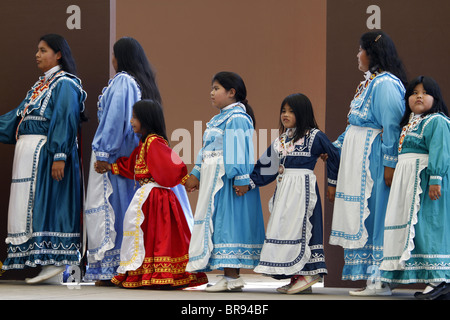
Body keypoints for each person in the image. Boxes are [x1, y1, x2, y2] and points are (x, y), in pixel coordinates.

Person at [84, 37, 194, 285]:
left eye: (114, 54)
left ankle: (116, 269)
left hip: (119, 154)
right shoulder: (141, 83)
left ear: (120, 57)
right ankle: (133, 268)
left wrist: (103, 153)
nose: (111, 60)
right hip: (130, 156)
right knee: (135, 214)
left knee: (122, 211)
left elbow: (114, 120)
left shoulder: (123, 81)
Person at [0, 34, 87, 283]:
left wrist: (59, 155)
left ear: (58, 54)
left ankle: (56, 260)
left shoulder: (65, 84)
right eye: (37, 50)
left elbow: (64, 118)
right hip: (29, 156)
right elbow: (15, 119)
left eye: (43, 50)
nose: (37, 55)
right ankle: (45, 260)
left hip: (47, 155)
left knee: (50, 204)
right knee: (33, 208)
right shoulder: (40, 86)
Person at [328, 31, 408, 296]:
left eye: (360, 49)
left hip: (372, 162)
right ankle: (371, 278)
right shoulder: (369, 83)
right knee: (366, 217)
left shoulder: (385, 83)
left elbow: (391, 126)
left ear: (372, 53)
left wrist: (389, 164)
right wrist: (333, 148)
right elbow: (354, 126)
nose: (357, 55)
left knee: (376, 215)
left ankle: (380, 279)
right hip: (358, 160)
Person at [97, 99, 207, 288]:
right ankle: (148, 273)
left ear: (146, 119)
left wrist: (184, 179)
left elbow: (170, 164)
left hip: (156, 198)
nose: (131, 121)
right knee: (146, 236)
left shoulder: (154, 142)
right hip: (147, 197)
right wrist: (110, 167)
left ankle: (158, 273)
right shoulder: (144, 144)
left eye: (134, 117)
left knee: (157, 236)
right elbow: (131, 165)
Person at [247, 93, 340, 294]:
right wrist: (249, 183)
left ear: (302, 113)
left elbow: (334, 156)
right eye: (283, 111)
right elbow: (267, 166)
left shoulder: (314, 136)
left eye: (291, 111)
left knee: (303, 227)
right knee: (285, 227)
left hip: (302, 188)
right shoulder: (282, 139)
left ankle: (308, 273)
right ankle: (296, 274)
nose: (285, 115)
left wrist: (332, 183)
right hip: (284, 189)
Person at [184, 71, 265, 292]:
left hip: (228, 182)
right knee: (218, 223)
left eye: (216, 88)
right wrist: (196, 174)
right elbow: (206, 150)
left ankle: (232, 276)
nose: (211, 92)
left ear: (232, 93)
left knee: (228, 224)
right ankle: (227, 274)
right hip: (215, 180)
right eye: (212, 88)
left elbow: (239, 151)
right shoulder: (218, 120)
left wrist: (240, 178)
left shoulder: (237, 117)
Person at [380, 76, 450, 300]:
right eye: (414, 92)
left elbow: (440, 150)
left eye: (425, 92)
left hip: (426, 181)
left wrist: (435, 179)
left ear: (435, 98)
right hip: (409, 182)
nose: (419, 96)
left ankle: (440, 279)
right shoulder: (410, 123)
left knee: (430, 227)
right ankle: (433, 279)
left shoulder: (437, 121)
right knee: (418, 230)